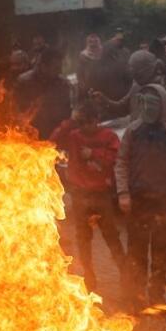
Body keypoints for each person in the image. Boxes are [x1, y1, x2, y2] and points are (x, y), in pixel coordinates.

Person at [115, 85, 166, 309]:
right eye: (145, 104)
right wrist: (123, 194)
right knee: (137, 250)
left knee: (162, 251)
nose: (148, 108)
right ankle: (135, 294)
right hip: (138, 200)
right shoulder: (133, 131)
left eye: (153, 105)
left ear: (163, 107)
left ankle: (157, 292)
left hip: (163, 201)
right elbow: (121, 162)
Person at [50, 101, 126, 293]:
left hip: (101, 195)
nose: (86, 127)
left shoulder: (108, 136)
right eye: (82, 123)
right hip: (80, 196)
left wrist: (93, 153)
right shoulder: (74, 136)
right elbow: (53, 141)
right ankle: (89, 278)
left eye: (89, 123)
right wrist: (69, 122)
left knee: (112, 237)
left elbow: (116, 157)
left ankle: (126, 277)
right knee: (83, 241)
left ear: (97, 121)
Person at [96, 50, 166, 122]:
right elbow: (122, 108)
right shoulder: (136, 86)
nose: (131, 73)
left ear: (143, 70)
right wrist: (104, 100)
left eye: (134, 69)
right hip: (137, 138)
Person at [15, 48, 72, 140]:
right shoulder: (25, 82)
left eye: (60, 67)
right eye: (56, 68)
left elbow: (67, 112)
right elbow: (17, 112)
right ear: (44, 66)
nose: (60, 71)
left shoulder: (63, 84)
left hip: (55, 136)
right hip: (30, 137)